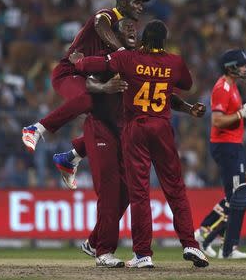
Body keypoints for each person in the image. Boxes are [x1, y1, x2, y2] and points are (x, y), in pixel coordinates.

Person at [70, 20, 209, 268]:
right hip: (162, 128)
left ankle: (143, 254)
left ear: (144, 38)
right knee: (175, 188)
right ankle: (190, 244)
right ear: (164, 40)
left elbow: (99, 64)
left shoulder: (129, 59)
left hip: (135, 129)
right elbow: (186, 84)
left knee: (139, 193)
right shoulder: (174, 62)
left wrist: (78, 62)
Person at [21, 0, 151, 189]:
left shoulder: (125, 32)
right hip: (69, 73)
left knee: (120, 128)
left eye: (142, 3)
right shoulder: (106, 16)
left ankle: (70, 158)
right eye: (137, 2)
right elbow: (101, 26)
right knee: (87, 100)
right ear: (123, 3)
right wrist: (123, 53)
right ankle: (36, 129)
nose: (141, 7)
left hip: (92, 78)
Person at [208, 49, 246, 259]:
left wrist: (241, 114)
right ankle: (225, 246)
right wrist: (242, 113)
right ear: (230, 67)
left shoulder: (232, 86)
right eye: (242, 65)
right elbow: (217, 121)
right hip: (226, 145)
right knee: (239, 196)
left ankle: (220, 243)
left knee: (237, 196)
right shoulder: (222, 88)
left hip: (232, 144)